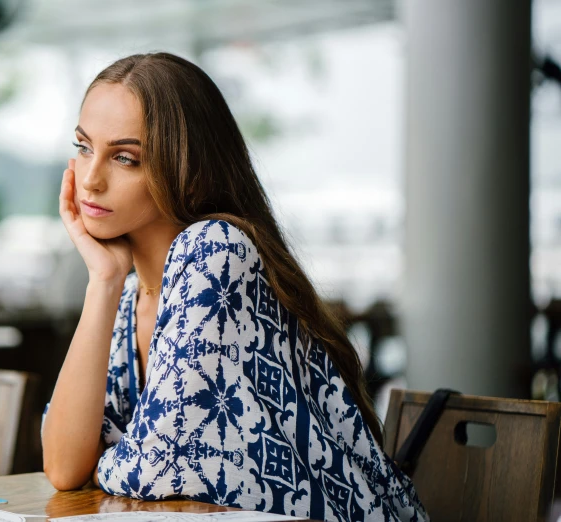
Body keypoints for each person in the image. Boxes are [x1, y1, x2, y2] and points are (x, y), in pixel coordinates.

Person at [41, 52, 427, 521]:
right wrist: (102, 282)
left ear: (190, 172)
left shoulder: (216, 253)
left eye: (125, 158)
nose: (91, 179)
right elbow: (63, 467)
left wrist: (105, 457)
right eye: (84, 147)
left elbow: (153, 468)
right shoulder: (127, 294)